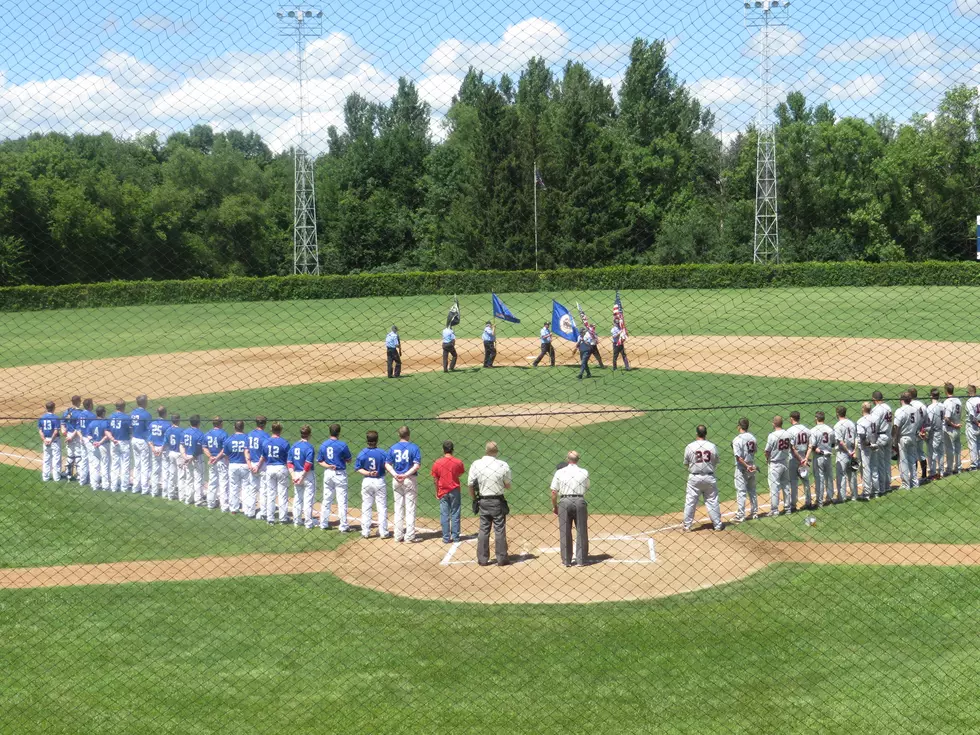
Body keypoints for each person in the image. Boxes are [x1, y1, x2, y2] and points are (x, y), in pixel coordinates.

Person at [467, 441, 512, 566]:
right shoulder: (503, 465)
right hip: (497, 501)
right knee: (499, 530)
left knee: (483, 530)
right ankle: (502, 558)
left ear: (486, 451)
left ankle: (482, 559)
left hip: (483, 500)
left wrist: (474, 499)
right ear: (496, 452)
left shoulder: (476, 464)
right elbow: (508, 485)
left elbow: (470, 485)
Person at [550, 450, 590, 566]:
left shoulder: (560, 472)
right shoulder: (584, 472)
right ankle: (581, 560)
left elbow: (553, 492)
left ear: (568, 459)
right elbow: (587, 487)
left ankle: (566, 560)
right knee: (581, 530)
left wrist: (555, 506)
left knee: (565, 531)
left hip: (564, 502)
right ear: (578, 460)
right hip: (580, 501)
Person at [682, 425, 723, 531]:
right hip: (709, 477)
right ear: (706, 433)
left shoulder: (690, 446)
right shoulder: (712, 446)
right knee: (712, 501)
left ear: (696, 434)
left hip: (694, 477)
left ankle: (687, 526)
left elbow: (686, 463)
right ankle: (717, 525)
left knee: (690, 501)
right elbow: (716, 461)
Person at [386, 426, 422, 543]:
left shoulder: (393, 448)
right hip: (409, 480)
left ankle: (398, 536)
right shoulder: (414, 447)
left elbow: (387, 464)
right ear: (409, 435)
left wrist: (395, 474)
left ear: (399, 435)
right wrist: (405, 475)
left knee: (398, 508)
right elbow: (416, 465)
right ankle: (410, 537)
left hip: (396, 480)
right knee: (410, 509)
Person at [318, 423, 353, 531]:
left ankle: (323, 524)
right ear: (339, 432)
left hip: (328, 473)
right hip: (339, 474)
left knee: (327, 499)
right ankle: (343, 526)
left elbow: (320, 461)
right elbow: (349, 459)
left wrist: (328, 465)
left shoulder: (324, 444)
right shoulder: (342, 445)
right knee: (342, 500)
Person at [356, 430, 389, 539]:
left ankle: (365, 531)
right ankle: (383, 532)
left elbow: (358, 469)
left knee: (366, 506)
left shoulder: (362, 453)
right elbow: (388, 465)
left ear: (367, 440)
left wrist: (369, 473)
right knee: (381, 507)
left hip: (367, 481)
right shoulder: (382, 453)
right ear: (377, 440)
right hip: (379, 481)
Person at [431, 440, 465, 544]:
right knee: (455, 512)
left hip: (443, 491)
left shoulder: (437, 462)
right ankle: (455, 537)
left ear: (443, 450)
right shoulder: (458, 462)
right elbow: (459, 474)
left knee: (444, 514)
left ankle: (446, 538)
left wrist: (437, 491)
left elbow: (435, 479)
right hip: (455, 490)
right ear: (452, 450)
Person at [263, 422, 291, 525]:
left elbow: (264, 456)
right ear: (281, 430)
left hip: (269, 468)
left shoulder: (266, 442)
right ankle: (283, 518)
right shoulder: (284, 442)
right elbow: (288, 459)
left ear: (272, 430)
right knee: (282, 493)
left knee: (271, 494)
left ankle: (270, 518)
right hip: (281, 467)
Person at [289, 425, 316, 528]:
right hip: (307, 475)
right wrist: (302, 476)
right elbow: (308, 464)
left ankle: (297, 521)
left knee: (298, 498)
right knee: (308, 499)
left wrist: (293, 476)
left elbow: (289, 462)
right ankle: (308, 523)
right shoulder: (309, 447)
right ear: (309, 435)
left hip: (296, 473)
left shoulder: (294, 446)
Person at [806, 412, 835, 507]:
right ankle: (830, 498)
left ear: (816, 419)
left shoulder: (813, 430)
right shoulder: (830, 429)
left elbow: (813, 446)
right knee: (829, 477)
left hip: (819, 457)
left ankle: (819, 501)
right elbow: (833, 444)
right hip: (828, 456)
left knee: (819, 478)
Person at [765, 415, 793, 515]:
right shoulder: (787, 434)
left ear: (774, 423)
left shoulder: (772, 435)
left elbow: (767, 451)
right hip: (785, 462)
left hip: (775, 464)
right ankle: (788, 508)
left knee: (774, 487)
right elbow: (791, 447)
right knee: (786, 486)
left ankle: (774, 510)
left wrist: (767, 459)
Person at [731, 418, 758, 522]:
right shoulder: (752, 438)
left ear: (739, 426)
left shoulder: (737, 439)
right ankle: (754, 512)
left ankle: (740, 515)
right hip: (752, 466)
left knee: (741, 491)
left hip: (742, 468)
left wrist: (746, 466)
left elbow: (738, 457)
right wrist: (749, 465)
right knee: (752, 491)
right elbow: (754, 451)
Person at [786, 412, 813, 509]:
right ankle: (809, 502)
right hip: (805, 459)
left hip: (794, 459)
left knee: (793, 481)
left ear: (792, 418)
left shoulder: (789, 431)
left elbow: (792, 448)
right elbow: (810, 446)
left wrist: (800, 459)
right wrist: (805, 458)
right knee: (806, 481)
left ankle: (793, 505)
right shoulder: (807, 430)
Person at [893, 392, 918, 490]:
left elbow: (896, 427)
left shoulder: (900, 411)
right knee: (912, 460)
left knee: (903, 461)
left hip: (903, 438)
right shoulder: (914, 410)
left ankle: (905, 484)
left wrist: (894, 440)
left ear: (901, 400)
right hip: (912, 436)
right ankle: (914, 482)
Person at [246, 416, 270, 519]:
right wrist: (258, 466)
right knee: (263, 489)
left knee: (252, 489)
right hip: (261, 464)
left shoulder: (250, 434)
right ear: (264, 424)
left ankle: (250, 512)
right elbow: (264, 454)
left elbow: (246, 450)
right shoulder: (265, 436)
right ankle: (263, 513)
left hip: (251, 463)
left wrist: (250, 465)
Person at [224, 421, 250, 515]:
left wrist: (229, 461)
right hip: (245, 465)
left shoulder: (229, 439)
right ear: (243, 427)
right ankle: (246, 509)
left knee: (233, 487)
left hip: (233, 465)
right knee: (246, 487)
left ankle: (234, 509)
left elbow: (226, 454)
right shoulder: (248, 438)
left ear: (234, 427)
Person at [179, 415, 206, 506]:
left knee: (189, 478)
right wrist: (192, 457)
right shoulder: (200, 434)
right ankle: (198, 500)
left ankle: (188, 498)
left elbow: (181, 445)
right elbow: (199, 448)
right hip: (196, 457)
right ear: (198, 423)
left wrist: (185, 456)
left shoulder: (185, 432)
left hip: (187, 456)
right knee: (198, 478)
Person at [833, 406, 858, 502]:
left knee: (841, 475)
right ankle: (854, 496)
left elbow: (840, 442)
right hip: (852, 451)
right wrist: (853, 451)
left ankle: (842, 497)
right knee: (852, 475)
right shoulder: (851, 423)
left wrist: (848, 451)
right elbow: (856, 438)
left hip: (843, 453)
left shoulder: (838, 425)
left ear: (837, 413)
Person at [107, 400, 132, 493]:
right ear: (124, 407)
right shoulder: (126, 417)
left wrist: (112, 438)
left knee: (114, 464)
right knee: (125, 465)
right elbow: (130, 430)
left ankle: (113, 486)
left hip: (113, 442)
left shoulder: (111, 417)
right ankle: (124, 487)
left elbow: (107, 430)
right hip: (124, 442)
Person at [204, 417, 229, 510]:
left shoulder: (207, 434)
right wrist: (217, 458)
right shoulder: (223, 434)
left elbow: (204, 447)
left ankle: (210, 504)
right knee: (223, 483)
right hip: (221, 461)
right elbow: (224, 449)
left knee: (212, 482)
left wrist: (211, 457)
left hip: (211, 461)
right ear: (220, 424)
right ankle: (224, 506)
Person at [871, 391, 893, 494]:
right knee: (887, 462)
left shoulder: (876, 409)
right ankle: (888, 485)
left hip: (880, 436)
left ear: (874, 399)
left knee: (880, 464)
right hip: (888, 435)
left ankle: (882, 487)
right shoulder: (888, 407)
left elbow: (874, 426)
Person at [129, 394, 152, 495]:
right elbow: (149, 430)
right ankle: (144, 488)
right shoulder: (146, 414)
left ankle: (136, 487)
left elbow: (131, 427)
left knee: (137, 464)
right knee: (145, 464)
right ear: (143, 403)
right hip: (143, 441)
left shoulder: (132, 413)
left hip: (134, 439)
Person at [856, 402, 878, 500]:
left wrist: (868, 444)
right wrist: (873, 444)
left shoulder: (861, 421)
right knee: (874, 468)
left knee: (866, 469)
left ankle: (867, 492)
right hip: (874, 444)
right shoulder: (875, 419)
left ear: (863, 409)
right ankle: (876, 491)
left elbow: (862, 437)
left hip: (866, 448)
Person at [147, 406, 169, 498]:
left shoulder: (152, 424)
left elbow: (149, 438)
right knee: (165, 470)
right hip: (163, 449)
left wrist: (152, 448)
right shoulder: (167, 425)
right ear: (165, 413)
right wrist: (162, 448)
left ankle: (154, 491)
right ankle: (165, 493)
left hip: (154, 448)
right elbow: (166, 439)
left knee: (155, 470)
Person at [908, 387, 929, 481]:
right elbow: (926, 420)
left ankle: (914, 476)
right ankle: (924, 475)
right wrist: (923, 431)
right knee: (920, 453)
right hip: (921, 432)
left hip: (912, 433)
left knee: (913, 454)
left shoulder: (910, 405)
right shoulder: (922, 405)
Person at [38, 401, 62, 483]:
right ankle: (56, 477)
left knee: (46, 459)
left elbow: (40, 431)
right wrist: (51, 440)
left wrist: (44, 440)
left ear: (46, 408)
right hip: (54, 441)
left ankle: (45, 477)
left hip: (46, 440)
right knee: (56, 459)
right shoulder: (55, 418)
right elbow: (55, 432)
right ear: (54, 408)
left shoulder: (42, 417)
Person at [942, 382, 962, 476]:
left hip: (950, 428)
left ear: (946, 391)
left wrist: (953, 425)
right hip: (958, 426)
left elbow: (947, 417)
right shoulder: (958, 400)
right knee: (957, 448)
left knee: (949, 449)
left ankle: (949, 469)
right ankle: (958, 467)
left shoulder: (948, 402)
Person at [163, 413, 183, 501]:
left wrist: (160, 450)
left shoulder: (168, 430)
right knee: (181, 475)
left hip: (171, 453)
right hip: (179, 454)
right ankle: (181, 495)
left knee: (171, 474)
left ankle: (170, 494)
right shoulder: (182, 431)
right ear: (178, 420)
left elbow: (165, 442)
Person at [89, 406, 110, 491]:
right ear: (103, 413)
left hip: (94, 446)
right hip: (103, 446)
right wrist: (100, 442)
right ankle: (105, 486)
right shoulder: (105, 422)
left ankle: (94, 485)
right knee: (104, 466)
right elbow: (107, 435)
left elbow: (88, 435)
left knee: (95, 466)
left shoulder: (92, 423)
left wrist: (93, 442)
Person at [75, 398, 95, 487]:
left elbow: (78, 428)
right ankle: (92, 480)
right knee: (91, 460)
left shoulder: (80, 414)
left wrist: (80, 437)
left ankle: (82, 480)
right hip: (88, 439)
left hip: (82, 438)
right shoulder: (92, 416)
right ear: (90, 405)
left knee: (84, 459)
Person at [61, 396, 81, 482]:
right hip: (75, 435)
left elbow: (62, 423)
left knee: (70, 455)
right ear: (79, 401)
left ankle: (68, 474)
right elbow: (78, 427)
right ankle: (79, 475)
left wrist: (64, 431)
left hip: (68, 434)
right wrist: (71, 437)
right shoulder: (80, 413)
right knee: (78, 455)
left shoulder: (67, 411)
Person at [926, 388, 945, 479]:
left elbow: (929, 422)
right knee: (941, 452)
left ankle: (933, 473)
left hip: (933, 433)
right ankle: (941, 471)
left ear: (931, 396)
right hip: (941, 430)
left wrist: (925, 433)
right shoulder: (942, 406)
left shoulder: (930, 407)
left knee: (932, 453)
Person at [965, 385, 980, 470]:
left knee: (972, 445)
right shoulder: (979, 399)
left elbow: (971, 415)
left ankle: (974, 465)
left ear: (969, 393)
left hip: (973, 425)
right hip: (979, 424)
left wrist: (977, 423)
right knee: (979, 444)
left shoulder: (969, 402)